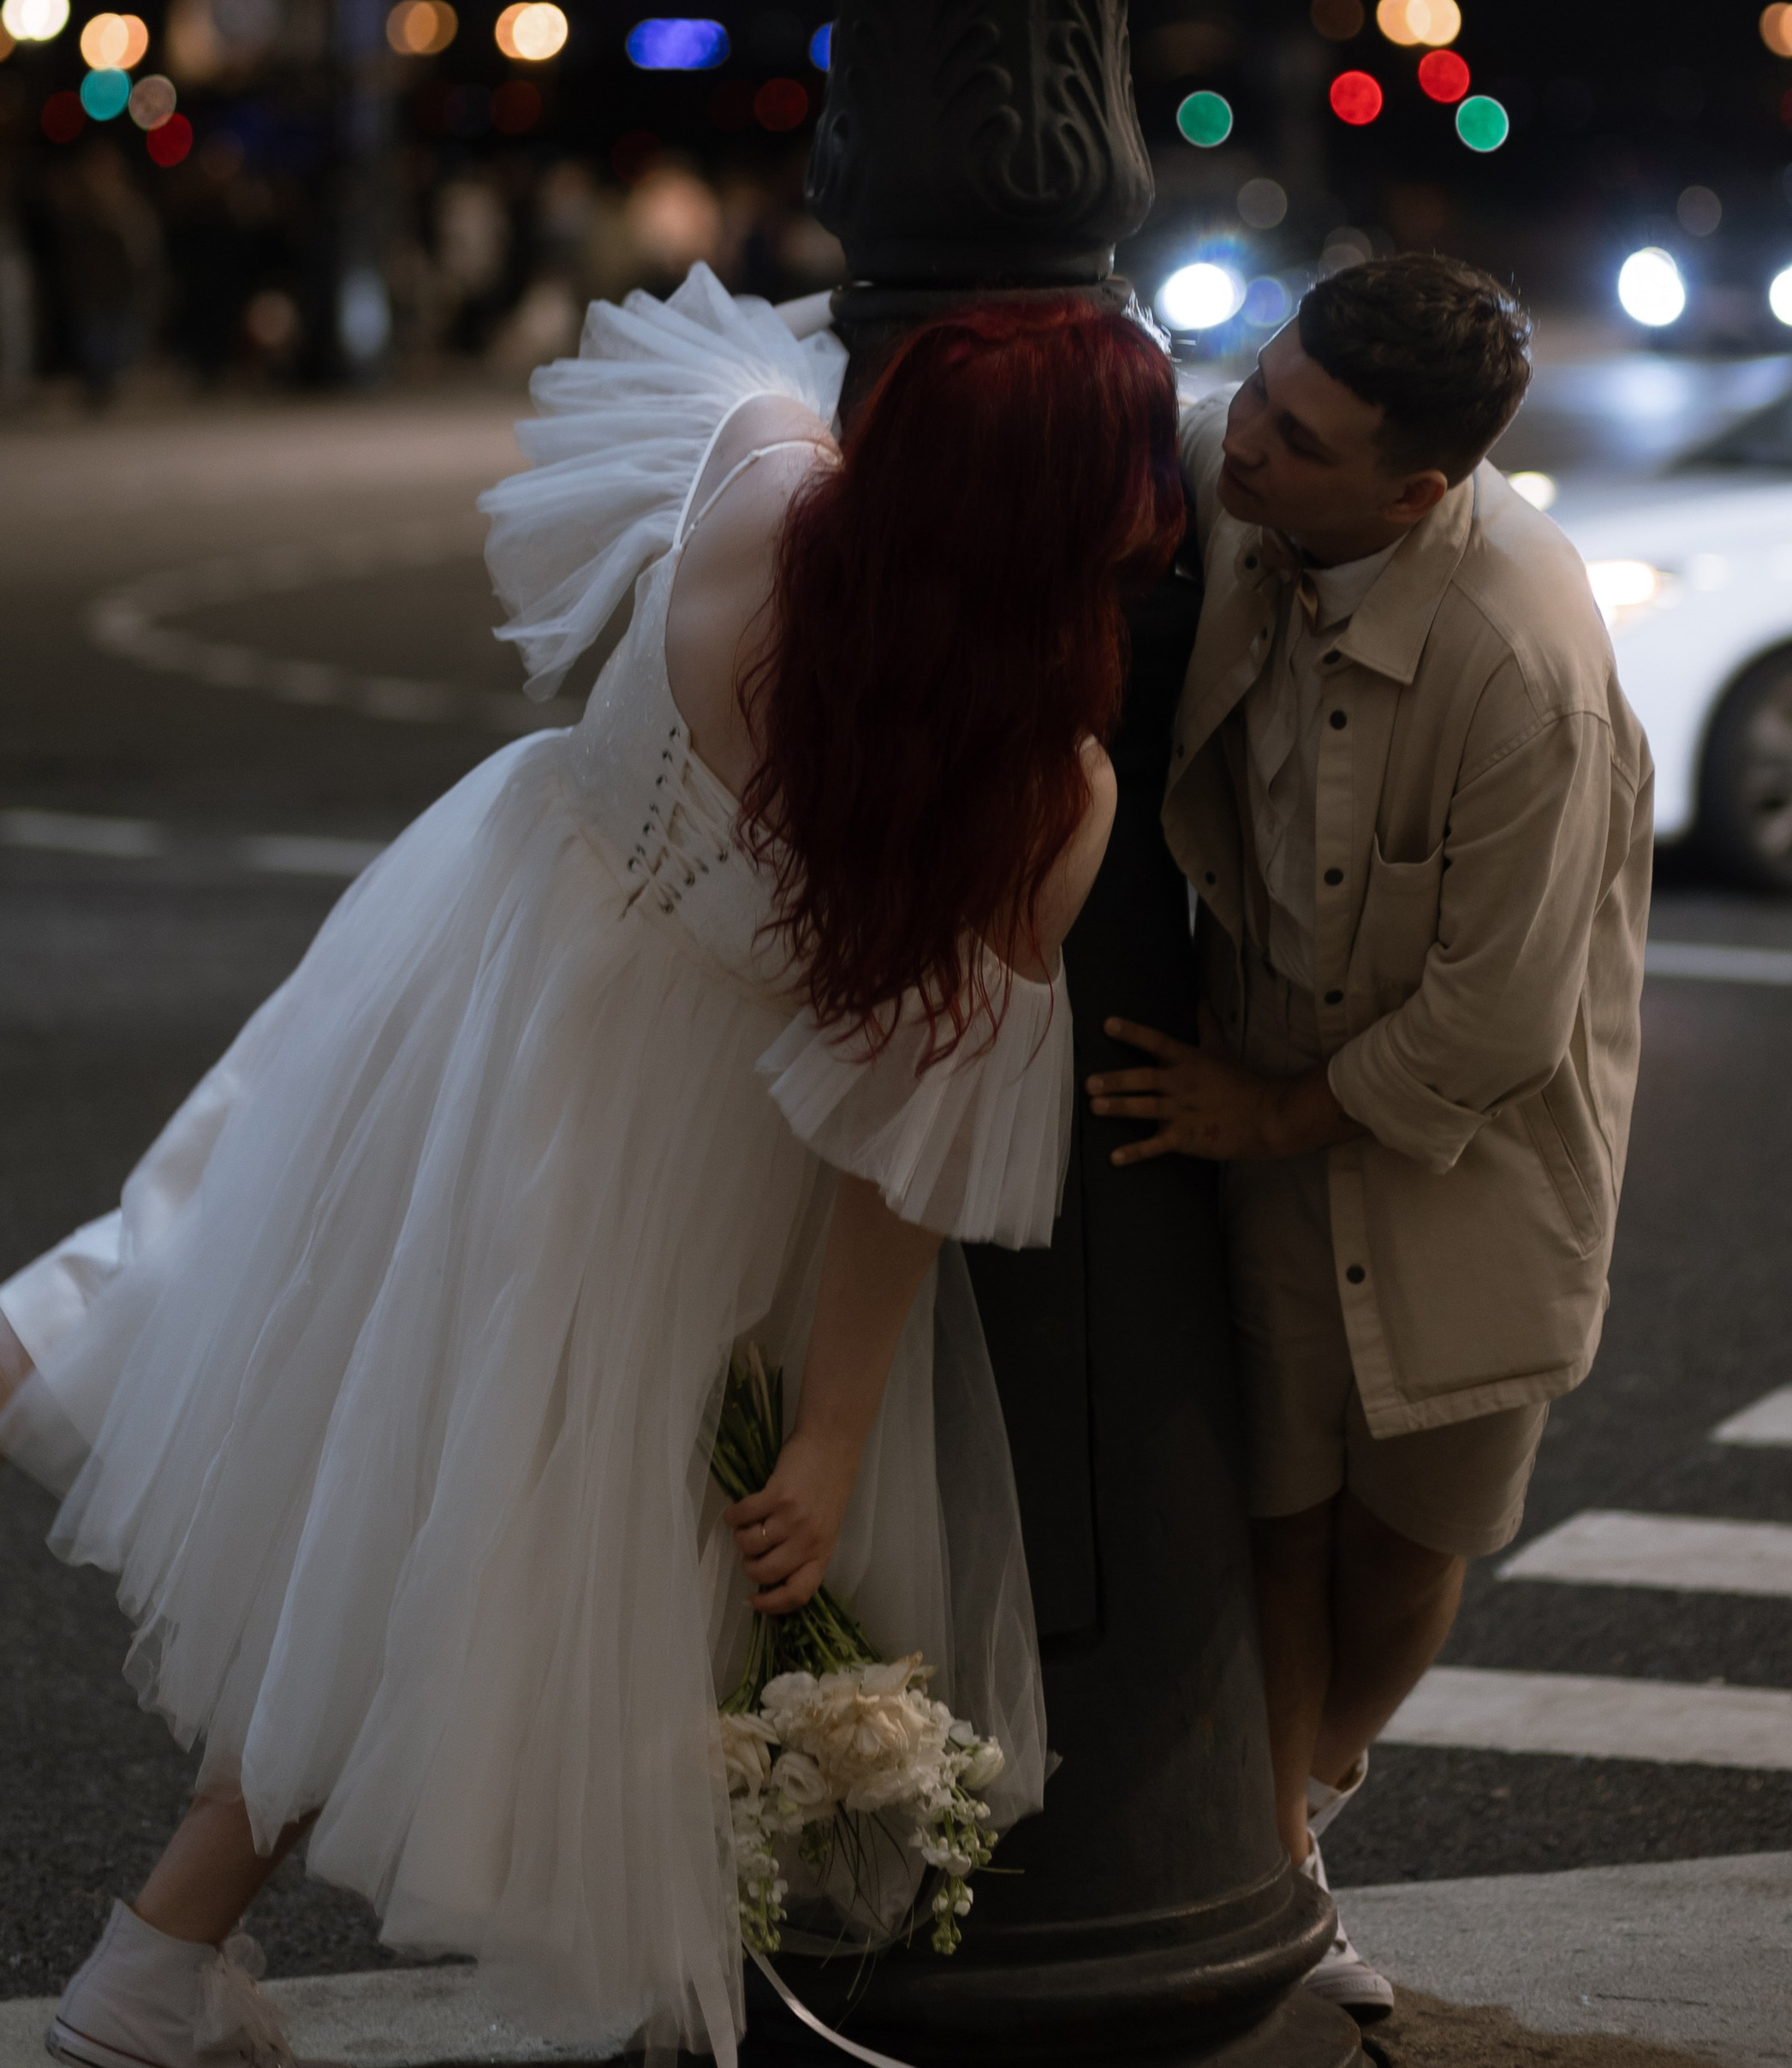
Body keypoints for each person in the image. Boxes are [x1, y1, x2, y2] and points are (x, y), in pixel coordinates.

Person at [0, 271, 1182, 2068]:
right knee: (490, 1539)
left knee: (291, 1380)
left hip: (478, 979)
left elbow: (705, 392)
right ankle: (177, 1978)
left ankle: (156, 1970)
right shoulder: (1040, 785)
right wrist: (836, 1433)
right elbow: (904, 1151)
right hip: (698, 1150)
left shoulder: (757, 483)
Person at [1085, 254, 1651, 2016]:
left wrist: (1263, 1111)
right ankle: (1272, 1877)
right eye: (1252, 394)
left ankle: (1307, 1796)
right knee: (1275, 1507)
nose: (1240, 448)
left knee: (1412, 1530)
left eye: (1293, 438)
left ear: (1416, 491)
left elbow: (1492, 1026)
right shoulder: (1234, 465)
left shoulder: (1519, 660)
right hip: (1259, 1089)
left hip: (1468, 1154)